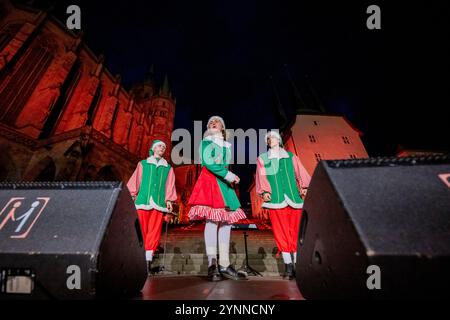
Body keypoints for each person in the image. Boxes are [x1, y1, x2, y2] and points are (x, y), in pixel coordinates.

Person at [188, 116, 248, 281]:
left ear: (222, 127)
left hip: (224, 186)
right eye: (210, 123)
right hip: (211, 182)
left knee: (226, 224)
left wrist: (230, 178)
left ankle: (224, 264)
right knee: (212, 222)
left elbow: (223, 164)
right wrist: (230, 175)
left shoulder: (226, 146)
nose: (213, 123)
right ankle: (212, 265)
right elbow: (208, 163)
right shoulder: (206, 143)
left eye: (217, 122)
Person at [255, 130, 311, 280]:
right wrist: (264, 192)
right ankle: (288, 266)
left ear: (279, 140)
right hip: (275, 201)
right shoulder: (262, 159)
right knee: (281, 233)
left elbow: (301, 173)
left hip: (294, 199)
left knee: (297, 233)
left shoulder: (291, 156)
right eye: (268, 139)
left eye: (273, 137)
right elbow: (261, 177)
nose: (270, 140)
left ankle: (299, 265)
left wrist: (304, 187)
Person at [127, 140, 177, 274]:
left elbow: (170, 185)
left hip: (159, 204)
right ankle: (137, 260)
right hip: (143, 201)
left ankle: (147, 263)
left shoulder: (168, 168)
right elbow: (135, 180)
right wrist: (132, 195)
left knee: (154, 232)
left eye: (164, 147)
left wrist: (169, 200)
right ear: (153, 148)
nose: (162, 148)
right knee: (141, 231)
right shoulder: (143, 164)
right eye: (160, 146)